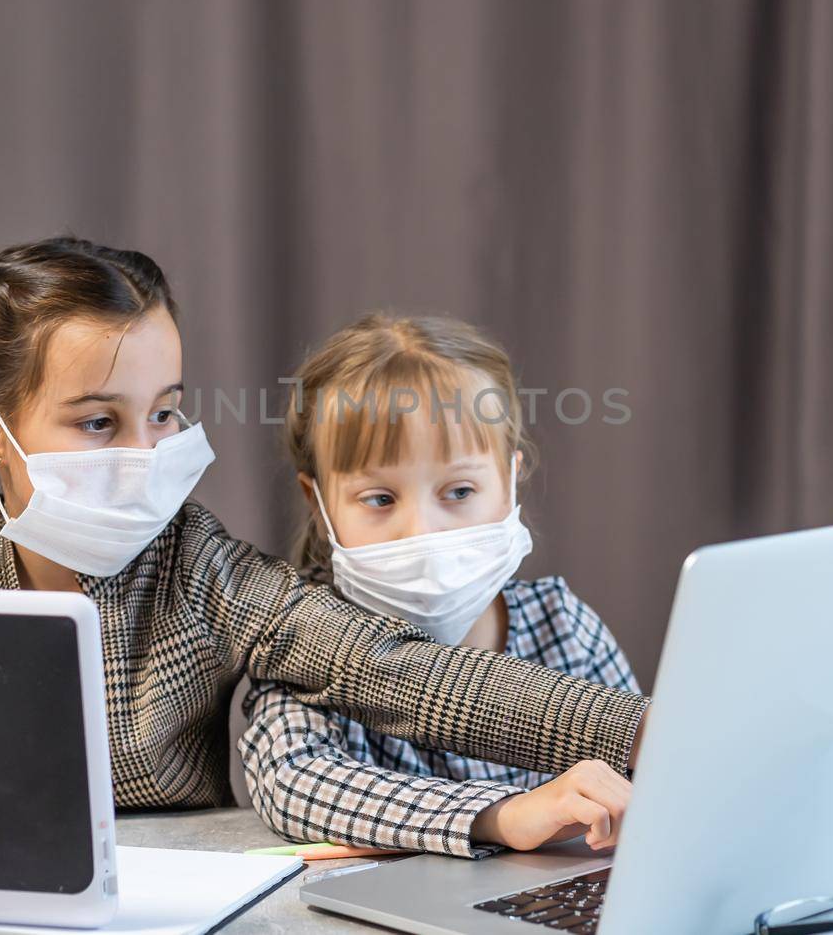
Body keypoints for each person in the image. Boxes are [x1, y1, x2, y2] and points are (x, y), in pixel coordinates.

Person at [0, 238, 649, 899]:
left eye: (167, 410)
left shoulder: (210, 572)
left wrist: (665, 732)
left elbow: (404, 674)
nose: (148, 450)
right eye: (101, 421)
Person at [240, 313, 639, 857]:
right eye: (380, 499)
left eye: (458, 491)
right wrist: (502, 816)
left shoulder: (563, 627)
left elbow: (650, 772)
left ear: (509, 480)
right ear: (319, 503)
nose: (423, 532)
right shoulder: (302, 644)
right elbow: (294, 783)